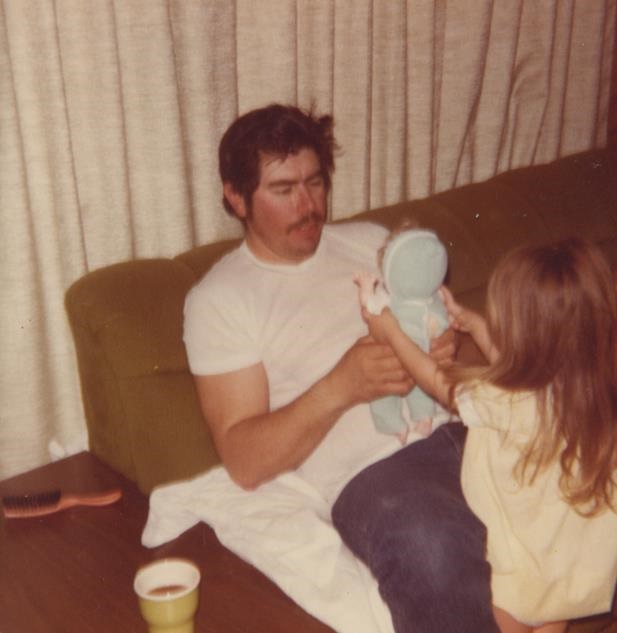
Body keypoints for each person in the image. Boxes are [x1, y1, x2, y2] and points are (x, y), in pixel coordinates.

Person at [183, 103, 498, 631]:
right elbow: (244, 460)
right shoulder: (219, 299)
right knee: (432, 548)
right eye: (283, 190)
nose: (308, 205)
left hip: (471, 430)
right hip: (378, 476)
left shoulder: (372, 242)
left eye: (315, 182)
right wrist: (343, 386)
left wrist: (447, 349)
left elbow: (470, 363)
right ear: (235, 197)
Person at [360, 238, 617, 632]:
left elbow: (436, 380)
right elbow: (531, 375)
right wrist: (478, 327)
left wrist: (392, 332)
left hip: (520, 564)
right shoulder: (591, 390)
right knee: (552, 615)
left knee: (504, 615)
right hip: (569, 562)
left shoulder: (500, 399)